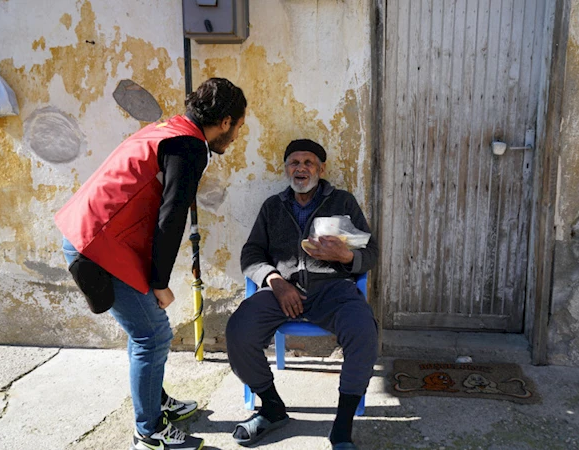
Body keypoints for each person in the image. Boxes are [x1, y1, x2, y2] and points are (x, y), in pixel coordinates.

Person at [55, 78, 247, 450]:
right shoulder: (188, 146)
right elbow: (171, 217)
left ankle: (155, 403)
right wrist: (159, 281)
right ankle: (148, 432)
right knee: (153, 335)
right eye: (239, 126)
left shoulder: (169, 129)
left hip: (96, 236)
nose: (237, 135)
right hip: (99, 246)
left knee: (144, 331)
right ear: (224, 122)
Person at [226, 139, 379, 450]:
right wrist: (274, 280)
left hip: (333, 289)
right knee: (238, 329)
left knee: (364, 330)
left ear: (321, 169)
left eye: (309, 163)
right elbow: (251, 254)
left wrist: (346, 257)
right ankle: (271, 407)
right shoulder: (273, 206)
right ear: (286, 169)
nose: (301, 168)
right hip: (283, 290)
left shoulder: (343, 202)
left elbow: (371, 253)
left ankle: (342, 424)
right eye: (294, 162)